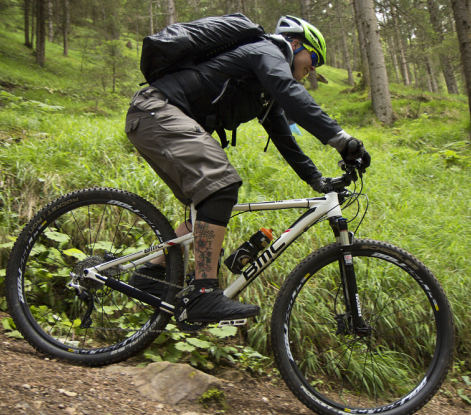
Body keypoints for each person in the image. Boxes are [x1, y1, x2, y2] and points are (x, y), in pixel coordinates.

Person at [125, 15, 370, 325]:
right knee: (220, 185)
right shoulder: (265, 50)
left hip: (154, 117)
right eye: (314, 58)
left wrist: (316, 180)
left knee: (207, 208)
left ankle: (150, 273)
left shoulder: (262, 92)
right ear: (295, 45)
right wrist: (343, 140)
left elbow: (285, 139)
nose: (313, 68)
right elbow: (294, 97)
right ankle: (203, 294)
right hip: (155, 110)